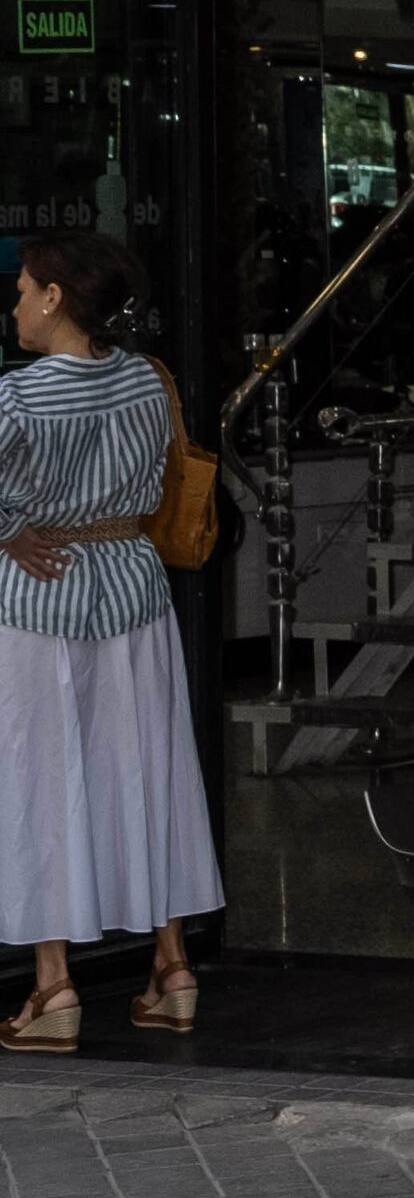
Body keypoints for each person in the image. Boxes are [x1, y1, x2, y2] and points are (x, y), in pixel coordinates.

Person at [0, 231, 218, 1049]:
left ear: (55, 297)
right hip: (133, 587)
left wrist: (13, 529)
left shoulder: (18, 397)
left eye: (23, 289)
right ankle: (172, 968)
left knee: (40, 783)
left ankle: (53, 987)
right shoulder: (143, 378)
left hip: (41, 597)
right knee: (149, 771)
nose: (16, 305)